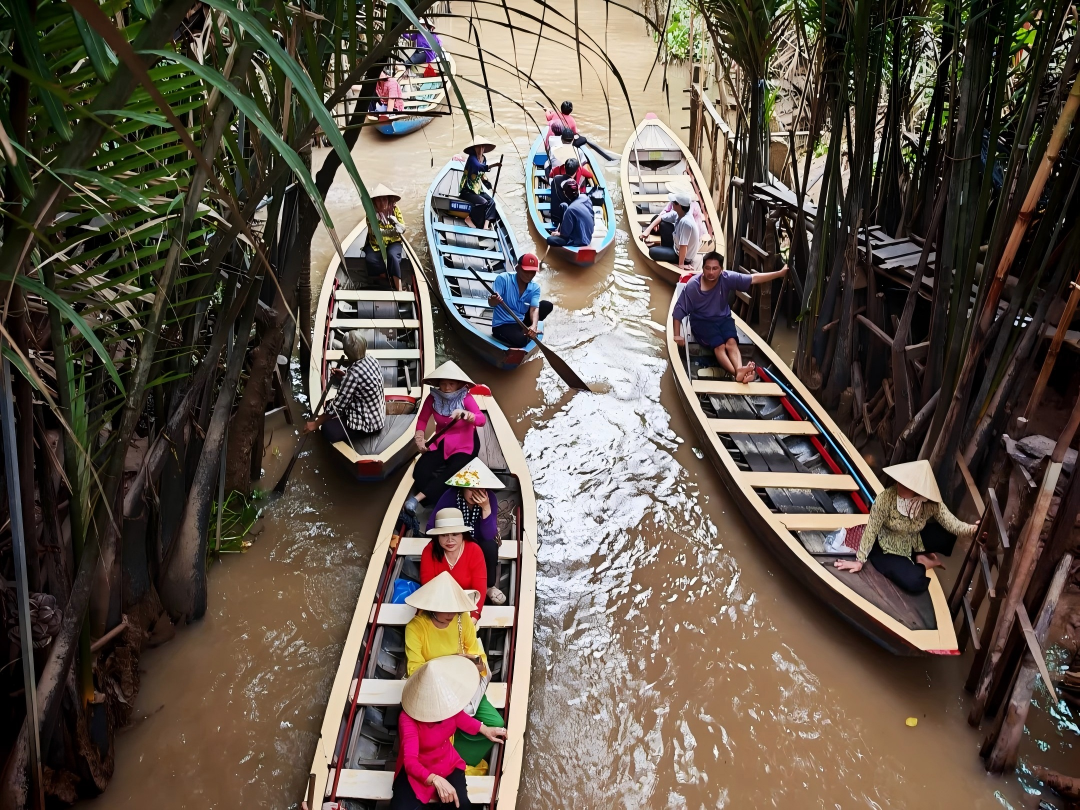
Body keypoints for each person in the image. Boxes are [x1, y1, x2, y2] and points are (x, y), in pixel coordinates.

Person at [404, 573, 508, 767]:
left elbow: (480, 659)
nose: (452, 614)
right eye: (446, 609)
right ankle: (445, 753)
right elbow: (414, 670)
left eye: (455, 608)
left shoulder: (462, 620)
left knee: (496, 723)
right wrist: (450, 664)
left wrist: (470, 663)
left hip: (463, 685)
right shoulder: (415, 628)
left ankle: (460, 756)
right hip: (432, 692)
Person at [834, 460, 979, 594]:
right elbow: (871, 529)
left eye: (906, 484)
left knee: (947, 535)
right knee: (915, 583)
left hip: (913, 539)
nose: (899, 484)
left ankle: (918, 553)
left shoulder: (931, 504)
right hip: (887, 546)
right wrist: (859, 561)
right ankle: (923, 562)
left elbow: (953, 524)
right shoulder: (886, 498)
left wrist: (974, 530)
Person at [392, 655, 506, 809]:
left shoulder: (448, 704)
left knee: (463, 805)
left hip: (447, 763)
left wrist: (486, 730)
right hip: (417, 772)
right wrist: (435, 779)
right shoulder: (407, 718)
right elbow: (410, 762)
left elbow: (462, 719)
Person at [672, 251, 787, 382]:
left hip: (723, 318)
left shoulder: (727, 278)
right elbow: (679, 310)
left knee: (731, 342)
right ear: (702, 268)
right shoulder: (693, 286)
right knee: (719, 346)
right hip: (702, 321)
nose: (711, 272)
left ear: (721, 270)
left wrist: (779, 273)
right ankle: (737, 373)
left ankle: (739, 371)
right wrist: (677, 335)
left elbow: (754, 278)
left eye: (715, 268)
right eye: (707, 268)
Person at [406, 361, 485, 514]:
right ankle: (436, 499)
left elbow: (481, 419)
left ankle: (417, 499)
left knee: (453, 471)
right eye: (443, 384)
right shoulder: (433, 398)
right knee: (420, 471)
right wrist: (420, 438)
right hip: (442, 440)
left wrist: (465, 414)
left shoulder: (466, 398)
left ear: (459, 384)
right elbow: (422, 420)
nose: (447, 388)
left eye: (451, 383)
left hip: (465, 443)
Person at [426, 459, 507, 605]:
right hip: (452, 540)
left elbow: (489, 534)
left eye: (480, 489)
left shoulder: (491, 499)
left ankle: (489, 586)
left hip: (478, 540)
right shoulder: (450, 497)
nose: (475, 493)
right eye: (471, 488)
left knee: (490, 545)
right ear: (462, 487)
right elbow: (431, 526)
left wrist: (486, 508)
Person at [305, 331, 385, 441]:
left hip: (368, 426)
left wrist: (315, 423)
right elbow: (362, 383)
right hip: (377, 417)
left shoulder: (353, 375)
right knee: (329, 407)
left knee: (327, 428)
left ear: (347, 352)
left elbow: (336, 406)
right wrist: (344, 377)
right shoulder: (372, 359)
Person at [421, 508, 489, 619]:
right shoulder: (429, 551)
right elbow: (428, 588)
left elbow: (479, 590)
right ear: (437, 536)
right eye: (444, 535)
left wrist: (474, 617)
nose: (450, 540)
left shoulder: (474, 550)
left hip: (466, 606)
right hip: (436, 606)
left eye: (455, 534)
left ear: (463, 534)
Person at [488, 253, 553, 348]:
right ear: (517, 268)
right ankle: (524, 334)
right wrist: (494, 300)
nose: (529, 275)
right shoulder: (503, 279)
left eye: (532, 272)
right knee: (521, 341)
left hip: (520, 321)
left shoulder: (535, 287)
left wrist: (534, 325)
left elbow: (534, 309)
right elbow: (491, 303)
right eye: (526, 271)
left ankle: (528, 330)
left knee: (547, 305)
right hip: (503, 324)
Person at [645, 190, 702, 270]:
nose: (671, 204)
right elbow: (661, 217)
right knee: (662, 223)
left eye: (673, 202)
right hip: (676, 247)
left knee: (652, 252)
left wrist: (681, 265)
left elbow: (683, 246)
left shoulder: (686, 222)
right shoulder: (679, 213)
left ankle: (677, 261)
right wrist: (647, 230)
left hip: (683, 257)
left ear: (678, 205)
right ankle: (666, 250)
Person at [365, 184, 406, 291]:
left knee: (392, 256)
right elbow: (376, 232)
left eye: (384, 200)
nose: (382, 203)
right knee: (370, 259)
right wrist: (393, 231)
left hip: (393, 242)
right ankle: (386, 275)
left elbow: (403, 228)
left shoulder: (395, 210)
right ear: (374, 202)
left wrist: (396, 223)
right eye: (378, 200)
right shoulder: (371, 213)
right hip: (377, 243)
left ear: (388, 200)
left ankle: (399, 288)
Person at [640, 180, 705, 240]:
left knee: (663, 224)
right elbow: (665, 211)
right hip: (678, 229)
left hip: (686, 235)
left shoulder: (689, 208)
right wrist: (656, 223)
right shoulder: (674, 203)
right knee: (656, 219)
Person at [459, 137, 500, 230]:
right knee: (483, 203)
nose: (480, 149)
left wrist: (490, 186)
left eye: (482, 147)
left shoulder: (483, 158)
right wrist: (494, 165)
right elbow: (479, 167)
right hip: (467, 190)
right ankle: (469, 219)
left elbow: (482, 175)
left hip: (477, 189)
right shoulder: (472, 159)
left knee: (492, 202)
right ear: (474, 148)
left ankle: (485, 226)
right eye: (478, 147)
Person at [547, 180, 594, 249]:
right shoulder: (585, 198)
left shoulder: (570, 210)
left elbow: (565, 234)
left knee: (550, 239)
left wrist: (558, 234)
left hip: (580, 240)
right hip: (589, 232)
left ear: (566, 194)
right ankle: (561, 230)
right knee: (563, 205)